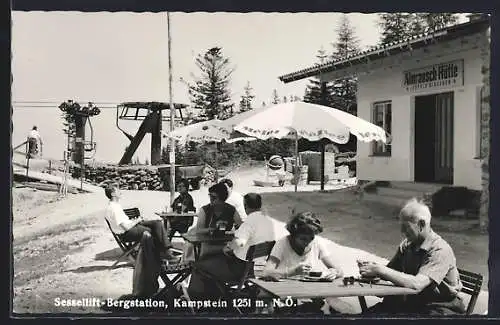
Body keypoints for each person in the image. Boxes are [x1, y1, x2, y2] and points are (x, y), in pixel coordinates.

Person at [358, 198, 465, 315]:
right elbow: (389, 274)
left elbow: (417, 284)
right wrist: (371, 271)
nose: (401, 230)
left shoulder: (439, 250)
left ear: (421, 224)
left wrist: (380, 270)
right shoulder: (408, 245)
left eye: (406, 226)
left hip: (439, 307)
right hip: (414, 303)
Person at [187, 193, 276, 300]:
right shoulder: (268, 221)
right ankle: (212, 295)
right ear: (260, 205)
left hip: (236, 270)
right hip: (250, 268)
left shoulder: (249, 223)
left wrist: (227, 247)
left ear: (245, 206)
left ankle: (194, 298)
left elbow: (237, 244)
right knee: (210, 260)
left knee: (199, 264)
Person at [262, 211, 344, 313]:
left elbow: (340, 270)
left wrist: (334, 272)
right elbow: (266, 272)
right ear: (293, 235)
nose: (307, 242)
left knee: (337, 306)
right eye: (303, 239)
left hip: (309, 293)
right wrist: (292, 271)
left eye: (311, 238)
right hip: (286, 294)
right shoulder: (282, 243)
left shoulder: (316, 242)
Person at [104, 184, 177, 261]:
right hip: (127, 233)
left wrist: (138, 220)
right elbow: (126, 227)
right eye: (118, 190)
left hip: (130, 227)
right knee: (155, 231)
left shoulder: (115, 205)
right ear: (113, 194)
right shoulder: (114, 208)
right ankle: (165, 253)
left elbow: (125, 223)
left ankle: (166, 251)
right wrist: (137, 220)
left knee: (157, 223)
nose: (120, 192)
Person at [182, 182, 243, 261]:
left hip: (224, 242)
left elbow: (242, 226)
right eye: (210, 196)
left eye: (214, 197)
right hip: (208, 243)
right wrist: (211, 229)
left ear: (222, 198)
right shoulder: (205, 210)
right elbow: (199, 230)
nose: (210, 199)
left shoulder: (230, 209)